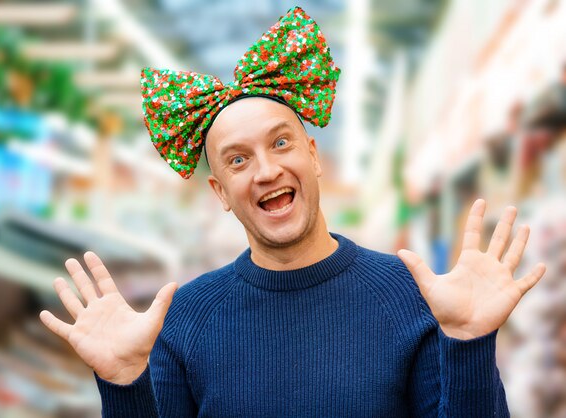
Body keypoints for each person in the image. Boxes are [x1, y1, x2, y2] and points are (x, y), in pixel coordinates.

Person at [39, 7, 546, 417]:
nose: (264, 171)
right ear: (220, 192)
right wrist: (124, 385)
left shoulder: (414, 299)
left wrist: (470, 343)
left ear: (313, 156)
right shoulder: (182, 321)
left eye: (280, 143)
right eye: (238, 160)